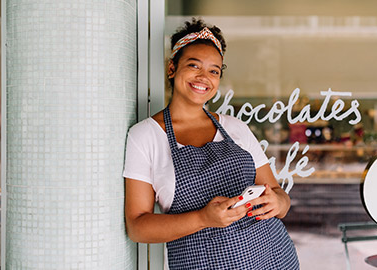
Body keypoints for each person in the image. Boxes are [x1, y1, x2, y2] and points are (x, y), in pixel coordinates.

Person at [124, 18, 299, 269]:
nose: (203, 77)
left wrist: (279, 203)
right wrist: (203, 218)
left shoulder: (236, 128)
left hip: (273, 258)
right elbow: (137, 227)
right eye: (194, 65)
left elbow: (278, 194)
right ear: (172, 68)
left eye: (214, 70)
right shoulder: (145, 136)